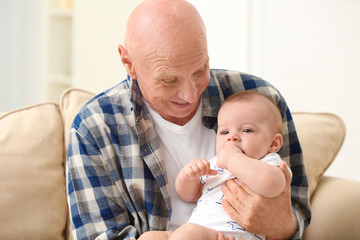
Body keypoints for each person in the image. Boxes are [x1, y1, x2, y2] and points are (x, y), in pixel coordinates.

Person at [66, 0, 311, 239]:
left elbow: (297, 207)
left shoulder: (260, 99)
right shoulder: (94, 128)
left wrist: (281, 225)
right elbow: (100, 235)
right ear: (128, 63)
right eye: (169, 80)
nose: (190, 94)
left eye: (199, 69)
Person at [139, 91, 287, 240]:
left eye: (246, 130)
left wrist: (232, 159)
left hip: (230, 235)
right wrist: (188, 177)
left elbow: (272, 184)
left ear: (274, 144)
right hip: (200, 230)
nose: (232, 137)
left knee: (186, 234)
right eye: (224, 132)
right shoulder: (217, 163)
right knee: (149, 237)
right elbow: (189, 196)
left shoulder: (268, 161)